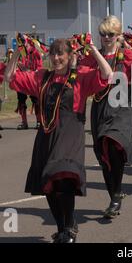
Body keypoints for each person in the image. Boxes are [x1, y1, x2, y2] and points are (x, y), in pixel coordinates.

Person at [4, 38, 112, 243]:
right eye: (53, 54)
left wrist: (92, 50)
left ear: (70, 56)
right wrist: (17, 52)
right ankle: (63, 227)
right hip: (46, 134)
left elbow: (107, 74)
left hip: (70, 133)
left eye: (60, 53)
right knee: (48, 183)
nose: (56, 58)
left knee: (62, 176)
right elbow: (9, 77)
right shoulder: (42, 77)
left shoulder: (79, 77)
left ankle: (69, 225)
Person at [81, 16, 132, 219]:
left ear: (118, 36)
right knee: (103, 153)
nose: (106, 37)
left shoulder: (127, 55)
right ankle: (114, 194)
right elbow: (79, 77)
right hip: (100, 108)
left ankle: (115, 196)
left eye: (111, 34)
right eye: (103, 34)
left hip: (122, 108)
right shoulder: (93, 56)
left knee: (113, 145)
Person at [15, 36, 43, 130]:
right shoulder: (20, 52)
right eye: (21, 42)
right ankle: (24, 122)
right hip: (22, 79)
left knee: (36, 101)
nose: (22, 44)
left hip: (32, 79)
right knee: (21, 100)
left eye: (24, 42)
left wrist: (29, 71)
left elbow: (39, 68)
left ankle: (39, 121)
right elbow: (17, 64)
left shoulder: (35, 52)